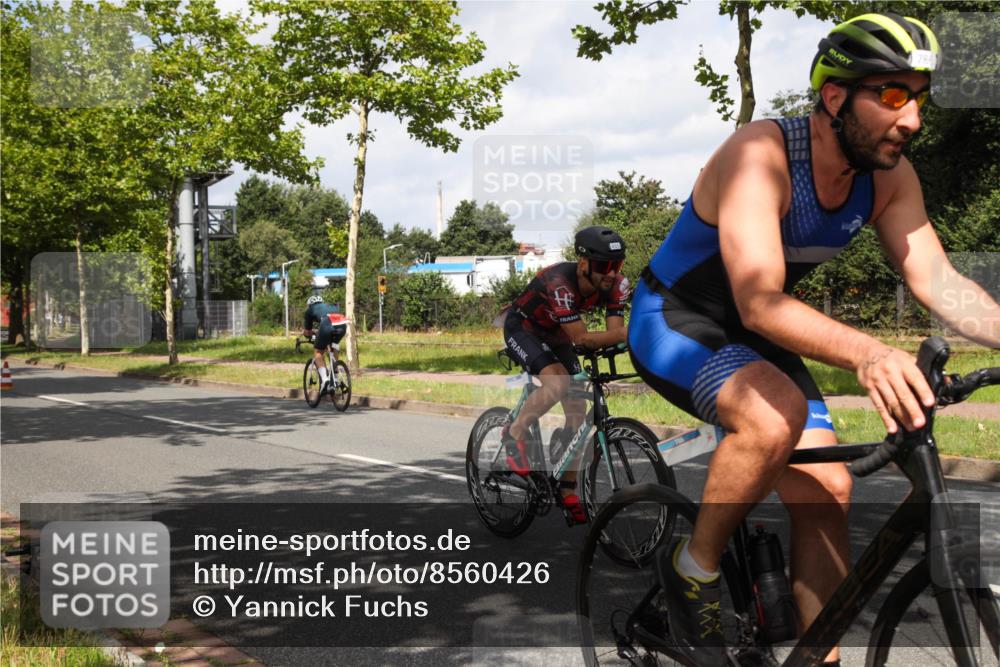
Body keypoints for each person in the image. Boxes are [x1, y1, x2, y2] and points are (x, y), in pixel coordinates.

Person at [628, 12, 1000, 665]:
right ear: (834, 96)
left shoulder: (889, 176)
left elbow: (940, 280)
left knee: (829, 488)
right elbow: (759, 297)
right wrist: (869, 352)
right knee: (773, 418)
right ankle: (694, 567)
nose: (912, 118)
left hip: (754, 334)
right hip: (675, 317)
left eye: (918, 97)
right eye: (891, 95)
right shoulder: (760, 156)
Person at [501, 226, 631, 524]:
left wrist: (631, 341)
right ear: (583, 263)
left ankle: (568, 489)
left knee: (578, 407)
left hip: (557, 333)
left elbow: (613, 335)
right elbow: (583, 340)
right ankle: (514, 432)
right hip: (524, 329)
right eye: (603, 266)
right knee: (558, 382)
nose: (611, 274)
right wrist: (629, 334)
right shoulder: (559, 282)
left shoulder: (617, 285)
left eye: (617, 265)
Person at [302, 295, 347, 392]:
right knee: (334, 347)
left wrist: (307, 334)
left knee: (318, 352)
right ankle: (335, 378)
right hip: (342, 324)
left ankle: (325, 382)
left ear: (310, 304)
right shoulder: (331, 306)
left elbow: (308, 331)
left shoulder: (310, 310)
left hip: (327, 324)